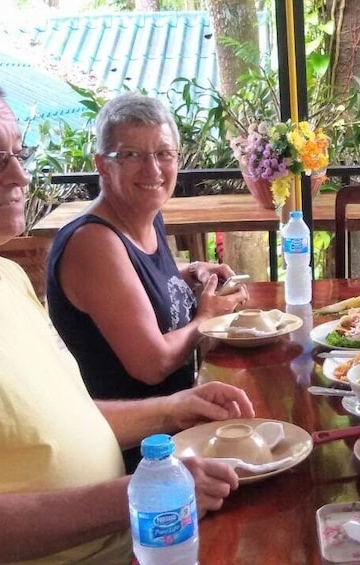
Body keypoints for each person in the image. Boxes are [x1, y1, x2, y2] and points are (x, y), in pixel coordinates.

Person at [0, 69, 256, 563]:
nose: (18, 175)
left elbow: (57, 423)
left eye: (18, 154)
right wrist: (140, 494)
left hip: (137, 537)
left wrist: (176, 408)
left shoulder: (4, 275)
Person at [46, 92, 248, 471]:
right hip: (138, 455)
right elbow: (151, 364)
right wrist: (206, 317)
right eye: (131, 155)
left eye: (163, 153)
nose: (152, 169)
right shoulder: (94, 242)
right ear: (102, 166)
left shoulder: (145, 215)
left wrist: (190, 274)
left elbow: (144, 289)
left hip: (178, 422)